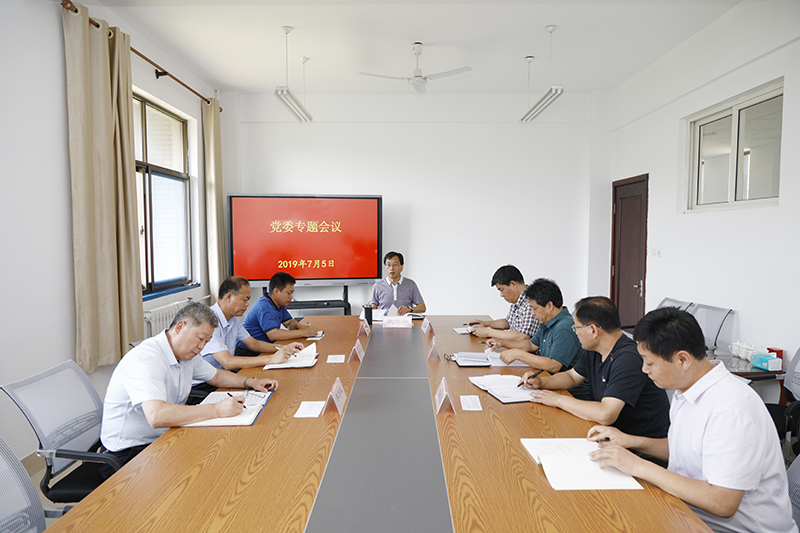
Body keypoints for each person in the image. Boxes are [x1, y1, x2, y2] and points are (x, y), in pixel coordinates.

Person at [588, 307, 796, 533]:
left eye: (649, 362)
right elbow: (686, 450)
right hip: (686, 513)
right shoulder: (686, 390)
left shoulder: (729, 409)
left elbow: (722, 502)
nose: (644, 369)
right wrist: (631, 441)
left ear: (682, 359)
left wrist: (638, 465)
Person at [100, 302, 278, 477]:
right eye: (200, 339)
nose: (202, 347)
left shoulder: (186, 355)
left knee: (227, 454)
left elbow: (216, 375)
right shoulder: (147, 359)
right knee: (210, 469)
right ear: (180, 327)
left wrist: (251, 382)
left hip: (166, 437)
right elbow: (157, 416)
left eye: (206, 342)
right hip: (128, 456)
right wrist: (216, 409)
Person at [520, 296, 669, 441]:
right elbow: (572, 377)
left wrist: (557, 400)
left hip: (638, 445)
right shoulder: (595, 350)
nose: (575, 332)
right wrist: (541, 382)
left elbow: (606, 414)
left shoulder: (628, 359)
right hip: (609, 434)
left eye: (576, 327)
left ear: (593, 330)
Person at [489, 278, 583, 374]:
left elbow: (554, 365)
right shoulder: (547, 322)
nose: (532, 313)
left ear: (549, 306)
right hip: (547, 376)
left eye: (534, 308)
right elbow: (531, 345)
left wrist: (518, 354)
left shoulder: (564, 327)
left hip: (563, 382)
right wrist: (502, 343)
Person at [238, 272, 318, 350]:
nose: (291, 297)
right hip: (247, 351)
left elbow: (289, 323)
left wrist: (303, 328)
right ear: (276, 292)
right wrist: (303, 333)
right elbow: (273, 334)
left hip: (265, 347)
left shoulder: (278, 304)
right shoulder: (264, 307)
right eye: (289, 293)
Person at [468, 265, 540, 341]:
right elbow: (508, 322)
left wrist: (488, 332)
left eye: (502, 290)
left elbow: (523, 336)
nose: (501, 295)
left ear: (513, 284)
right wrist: (485, 324)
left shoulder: (530, 301)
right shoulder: (517, 299)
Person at [369, 251, 426, 316]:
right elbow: (374, 305)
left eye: (395, 265)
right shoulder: (378, 285)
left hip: (404, 320)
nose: (391, 268)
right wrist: (368, 309)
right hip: (383, 320)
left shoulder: (411, 284)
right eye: (388, 265)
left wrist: (409, 309)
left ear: (401, 267)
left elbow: (422, 307)